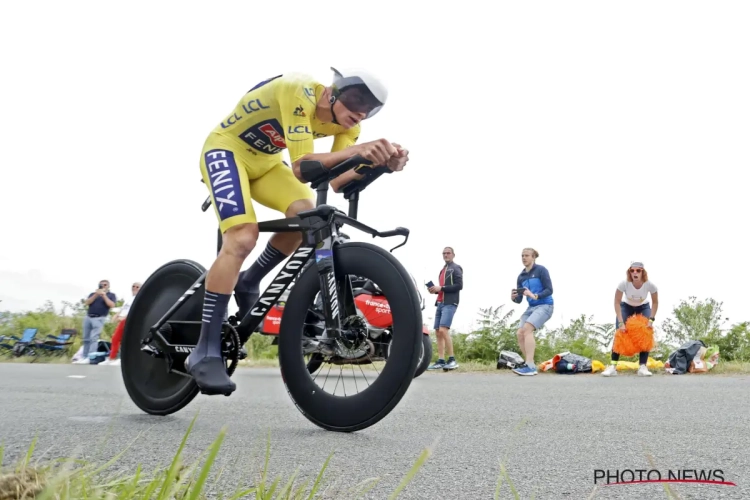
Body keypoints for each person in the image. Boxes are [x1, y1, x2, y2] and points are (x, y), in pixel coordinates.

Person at [188, 68, 410, 395]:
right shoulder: (299, 91)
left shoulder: (350, 124)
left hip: (265, 163)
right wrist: (357, 152)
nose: (359, 112)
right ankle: (205, 350)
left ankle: (249, 280)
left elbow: (336, 180)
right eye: (355, 99)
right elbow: (303, 166)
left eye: (369, 108)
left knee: (307, 219)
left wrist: (381, 166)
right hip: (226, 150)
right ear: (333, 91)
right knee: (243, 236)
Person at [602, 261, 659, 377]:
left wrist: (651, 319)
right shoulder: (624, 284)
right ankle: (613, 366)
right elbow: (616, 302)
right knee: (620, 332)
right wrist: (621, 322)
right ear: (629, 272)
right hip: (626, 306)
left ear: (643, 272)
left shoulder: (650, 285)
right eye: (632, 270)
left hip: (643, 306)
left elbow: (655, 302)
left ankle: (642, 366)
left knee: (646, 331)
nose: (635, 273)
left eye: (638, 270)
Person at [510, 248, 554, 376]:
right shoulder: (521, 276)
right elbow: (519, 300)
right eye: (522, 256)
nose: (524, 258)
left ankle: (529, 366)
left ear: (533, 257)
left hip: (545, 305)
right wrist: (513, 298)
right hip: (531, 308)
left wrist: (535, 295)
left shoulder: (541, 270)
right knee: (520, 332)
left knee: (527, 329)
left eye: (527, 255)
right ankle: (529, 363)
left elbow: (549, 289)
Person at [426, 247, 463, 371]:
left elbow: (459, 286)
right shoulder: (443, 270)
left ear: (453, 254)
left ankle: (452, 360)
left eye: (448, 253)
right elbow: (443, 288)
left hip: (450, 302)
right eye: (444, 253)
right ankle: (441, 360)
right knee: (437, 331)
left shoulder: (456, 268)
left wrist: (440, 288)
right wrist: (435, 290)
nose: (446, 255)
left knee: (443, 329)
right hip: (440, 302)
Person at [75, 280, 117, 364]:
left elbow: (111, 305)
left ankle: (91, 357)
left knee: (94, 338)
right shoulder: (93, 294)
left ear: (108, 286)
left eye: (105, 285)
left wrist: (104, 295)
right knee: (86, 338)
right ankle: (84, 356)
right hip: (89, 317)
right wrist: (96, 294)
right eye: (101, 285)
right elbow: (87, 302)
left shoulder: (111, 295)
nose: (103, 286)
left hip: (99, 318)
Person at [100, 281, 141, 366]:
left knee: (125, 340)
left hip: (129, 320)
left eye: (137, 287)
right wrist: (116, 315)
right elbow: (123, 308)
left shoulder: (139, 298)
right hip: (122, 319)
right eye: (133, 286)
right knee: (115, 338)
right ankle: (112, 358)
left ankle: (121, 359)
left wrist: (124, 317)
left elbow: (134, 310)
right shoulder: (129, 298)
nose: (135, 288)